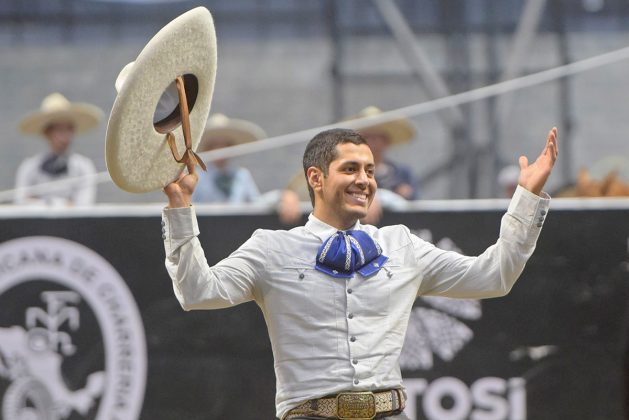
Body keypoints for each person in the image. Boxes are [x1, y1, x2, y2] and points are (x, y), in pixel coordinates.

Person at [161, 126, 558, 419]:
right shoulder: (271, 248)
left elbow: (494, 277)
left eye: (369, 170)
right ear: (315, 179)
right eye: (350, 169)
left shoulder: (402, 244)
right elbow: (198, 291)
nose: (365, 180)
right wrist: (179, 210)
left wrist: (527, 200)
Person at [278, 106, 418, 226]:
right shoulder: (329, 170)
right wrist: (288, 196)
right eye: (367, 137)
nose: (372, 143)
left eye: (378, 137)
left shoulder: (401, 173)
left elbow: (414, 209)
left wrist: (378, 197)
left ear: (387, 141)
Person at [14, 92, 102, 206]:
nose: (65, 136)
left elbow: (84, 204)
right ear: (47, 133)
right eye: (59, 130)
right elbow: (20, 202)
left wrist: (39, 202)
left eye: (68, 130)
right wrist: (62, 204)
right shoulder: (29, 168)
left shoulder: (83, 167)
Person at [192, 113, 265, 204]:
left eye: (225, 145)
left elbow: (256, 203)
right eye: (215, 145)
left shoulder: (242, 175)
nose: (220, 150)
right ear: (208, 148)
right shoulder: (197, 178)